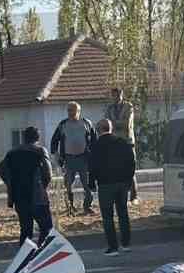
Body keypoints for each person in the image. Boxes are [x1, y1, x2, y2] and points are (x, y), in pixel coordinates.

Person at [88, 118, 137, 255]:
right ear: (111, 128)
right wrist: (128, 180)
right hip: (122, 183)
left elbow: (92, 167)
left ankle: (113, 247)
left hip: (105, 184)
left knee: (108, 216)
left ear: (98, 130)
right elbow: (132, 162)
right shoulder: (122, 142)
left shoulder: (96, 146)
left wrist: (92, 184)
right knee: (123, 213)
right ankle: (126, 244)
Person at [0, 125, 54, 244]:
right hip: (37, 197)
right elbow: (48, 173)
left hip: (19, 196)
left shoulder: (12, 153)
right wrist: (43, 186)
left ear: (23, 138)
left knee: (26, 230)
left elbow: (1, 169)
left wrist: (9, 183)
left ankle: (25, 257)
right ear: (37, 138)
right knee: (46, 228)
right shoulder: (40, 151)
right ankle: (40, 254)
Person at [49, 102, 96, 213]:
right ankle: (70, 207)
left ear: (78, 111)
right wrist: (56, 156)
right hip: (69, 159)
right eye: (69, 110)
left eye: (72, 110)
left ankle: (87, 206)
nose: (70, 112)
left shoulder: (86, 123)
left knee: (87, 185)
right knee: (68, 185)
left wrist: (94, 155)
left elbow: (94, 140)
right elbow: (54, 140)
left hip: (84, 158)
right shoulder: (63, 124)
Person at [103, 87, 135, 151]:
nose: (115, 98)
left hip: (127, 141)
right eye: (113, 95)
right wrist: (119, 122)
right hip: (114, 142)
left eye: (117, 95)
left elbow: (127, 124)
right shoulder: (109, 108)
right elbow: (106, 125)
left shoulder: (128, 106)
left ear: (121, 95)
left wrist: (113, 123)